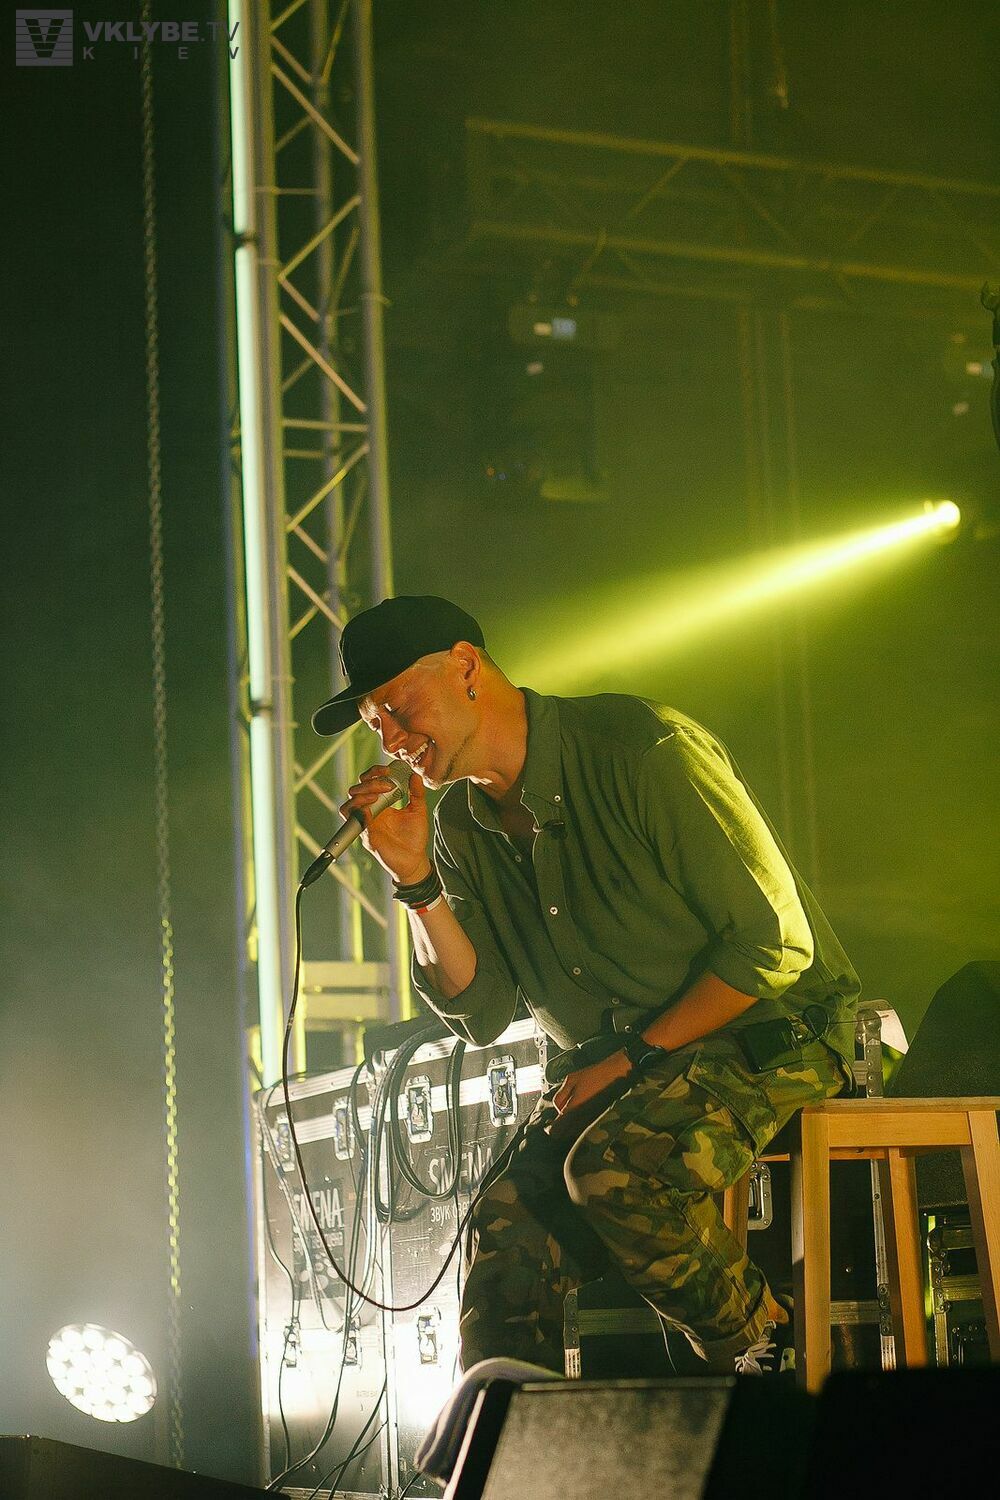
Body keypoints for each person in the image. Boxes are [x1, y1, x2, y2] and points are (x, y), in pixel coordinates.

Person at [312, 595, 860, 1376]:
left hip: (765, 1030)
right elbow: (481, 1010)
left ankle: (772, 1361)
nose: (392, 740)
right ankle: (512, 1435)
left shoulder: (639, 748)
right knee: (504, 1226)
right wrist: (416, 881)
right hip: (627, 1066)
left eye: (397, 708)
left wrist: (631, 1057)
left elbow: (773, 944)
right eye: (376, 726)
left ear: (466, 667)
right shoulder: (459, 827)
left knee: (614, 1171)